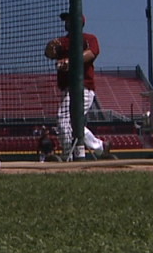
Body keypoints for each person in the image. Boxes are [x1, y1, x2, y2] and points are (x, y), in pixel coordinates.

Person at [44, 12, 106, 159]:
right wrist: (49, 49)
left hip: (84, 88)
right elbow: (49, 54)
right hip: (67, 89)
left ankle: (68, 155)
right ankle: (99, 147)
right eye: (66, 20)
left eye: (69, 19)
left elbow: (91, 53)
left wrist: (69, 61)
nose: (66, 22)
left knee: (63, 118)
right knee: (74, 123)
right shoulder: (62, 41)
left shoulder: (88, 38)